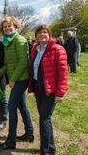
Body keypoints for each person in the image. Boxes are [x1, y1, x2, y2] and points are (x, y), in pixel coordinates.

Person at [0, 17, 34, 150]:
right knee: (22, 106)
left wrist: (13, 79)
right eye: (4, 27)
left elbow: (23, 62)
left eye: (10, 26)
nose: (7, 29)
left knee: (11, 107)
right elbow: (9, 63)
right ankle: (29, 133)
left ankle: (11, 141)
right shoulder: (7, 41)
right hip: (16, 78)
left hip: (21, 79)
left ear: (16, 27)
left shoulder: (19, 40)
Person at [29, 24, 68, 155]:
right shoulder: (35, 48)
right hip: (38, 87)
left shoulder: (57, 49)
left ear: (49, 34)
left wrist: (60, 93)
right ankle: (51, 148)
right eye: (39, 33)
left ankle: (44, 151)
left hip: (50, 90)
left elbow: (63, 73)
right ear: (36, 36)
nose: (42, 34)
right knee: (45, 118)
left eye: (45, 32)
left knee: (44, 120)